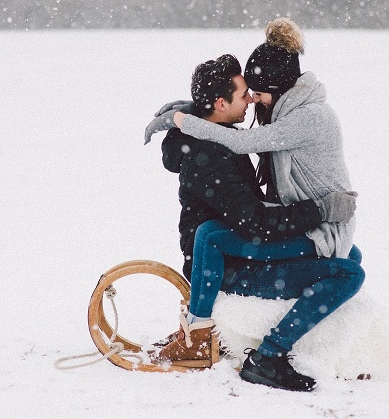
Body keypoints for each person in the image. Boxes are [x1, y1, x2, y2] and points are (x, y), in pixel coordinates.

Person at [145, 53, 364, 392]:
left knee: (348, 254)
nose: (250, 100)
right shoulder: (210, 157)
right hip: (233, 264)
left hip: (244, 249)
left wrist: (181, 113)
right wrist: (320, 211)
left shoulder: (212, 136)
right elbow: (256, 221)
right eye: (243, 94)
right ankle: (269, 357)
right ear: (220, 103)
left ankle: (281, 347)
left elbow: (251, 218)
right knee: (350, 271)